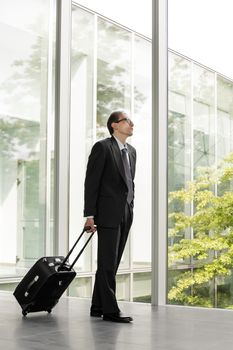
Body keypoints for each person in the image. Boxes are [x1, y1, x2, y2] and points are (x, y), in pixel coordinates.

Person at [84, 111, 136, 323]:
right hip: (106, 214)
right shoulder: (103, 147)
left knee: (112, 262)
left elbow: (129, 183)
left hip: (126, 211)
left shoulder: (131, 151)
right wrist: (90, 215)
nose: (131, 124)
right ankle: (110, 310)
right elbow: (92, 183)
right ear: (114, 125)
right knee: (107, 262)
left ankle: (97, 306)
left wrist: (130, 205)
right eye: (127, 121)